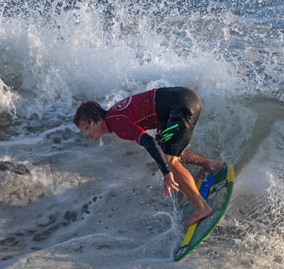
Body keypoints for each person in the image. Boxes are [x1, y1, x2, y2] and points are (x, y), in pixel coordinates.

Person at [73, 87, 223, 229]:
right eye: (83, 131)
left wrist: (166, 173)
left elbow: (148, 141)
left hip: (181, 105)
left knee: (170, 162)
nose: (87, 134)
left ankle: (201, 207)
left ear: (99, 119)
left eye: (87, 127)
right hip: (181, 100)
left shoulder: (116, 122)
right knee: (169, 151)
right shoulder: (115, 116)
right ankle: (211, 164)